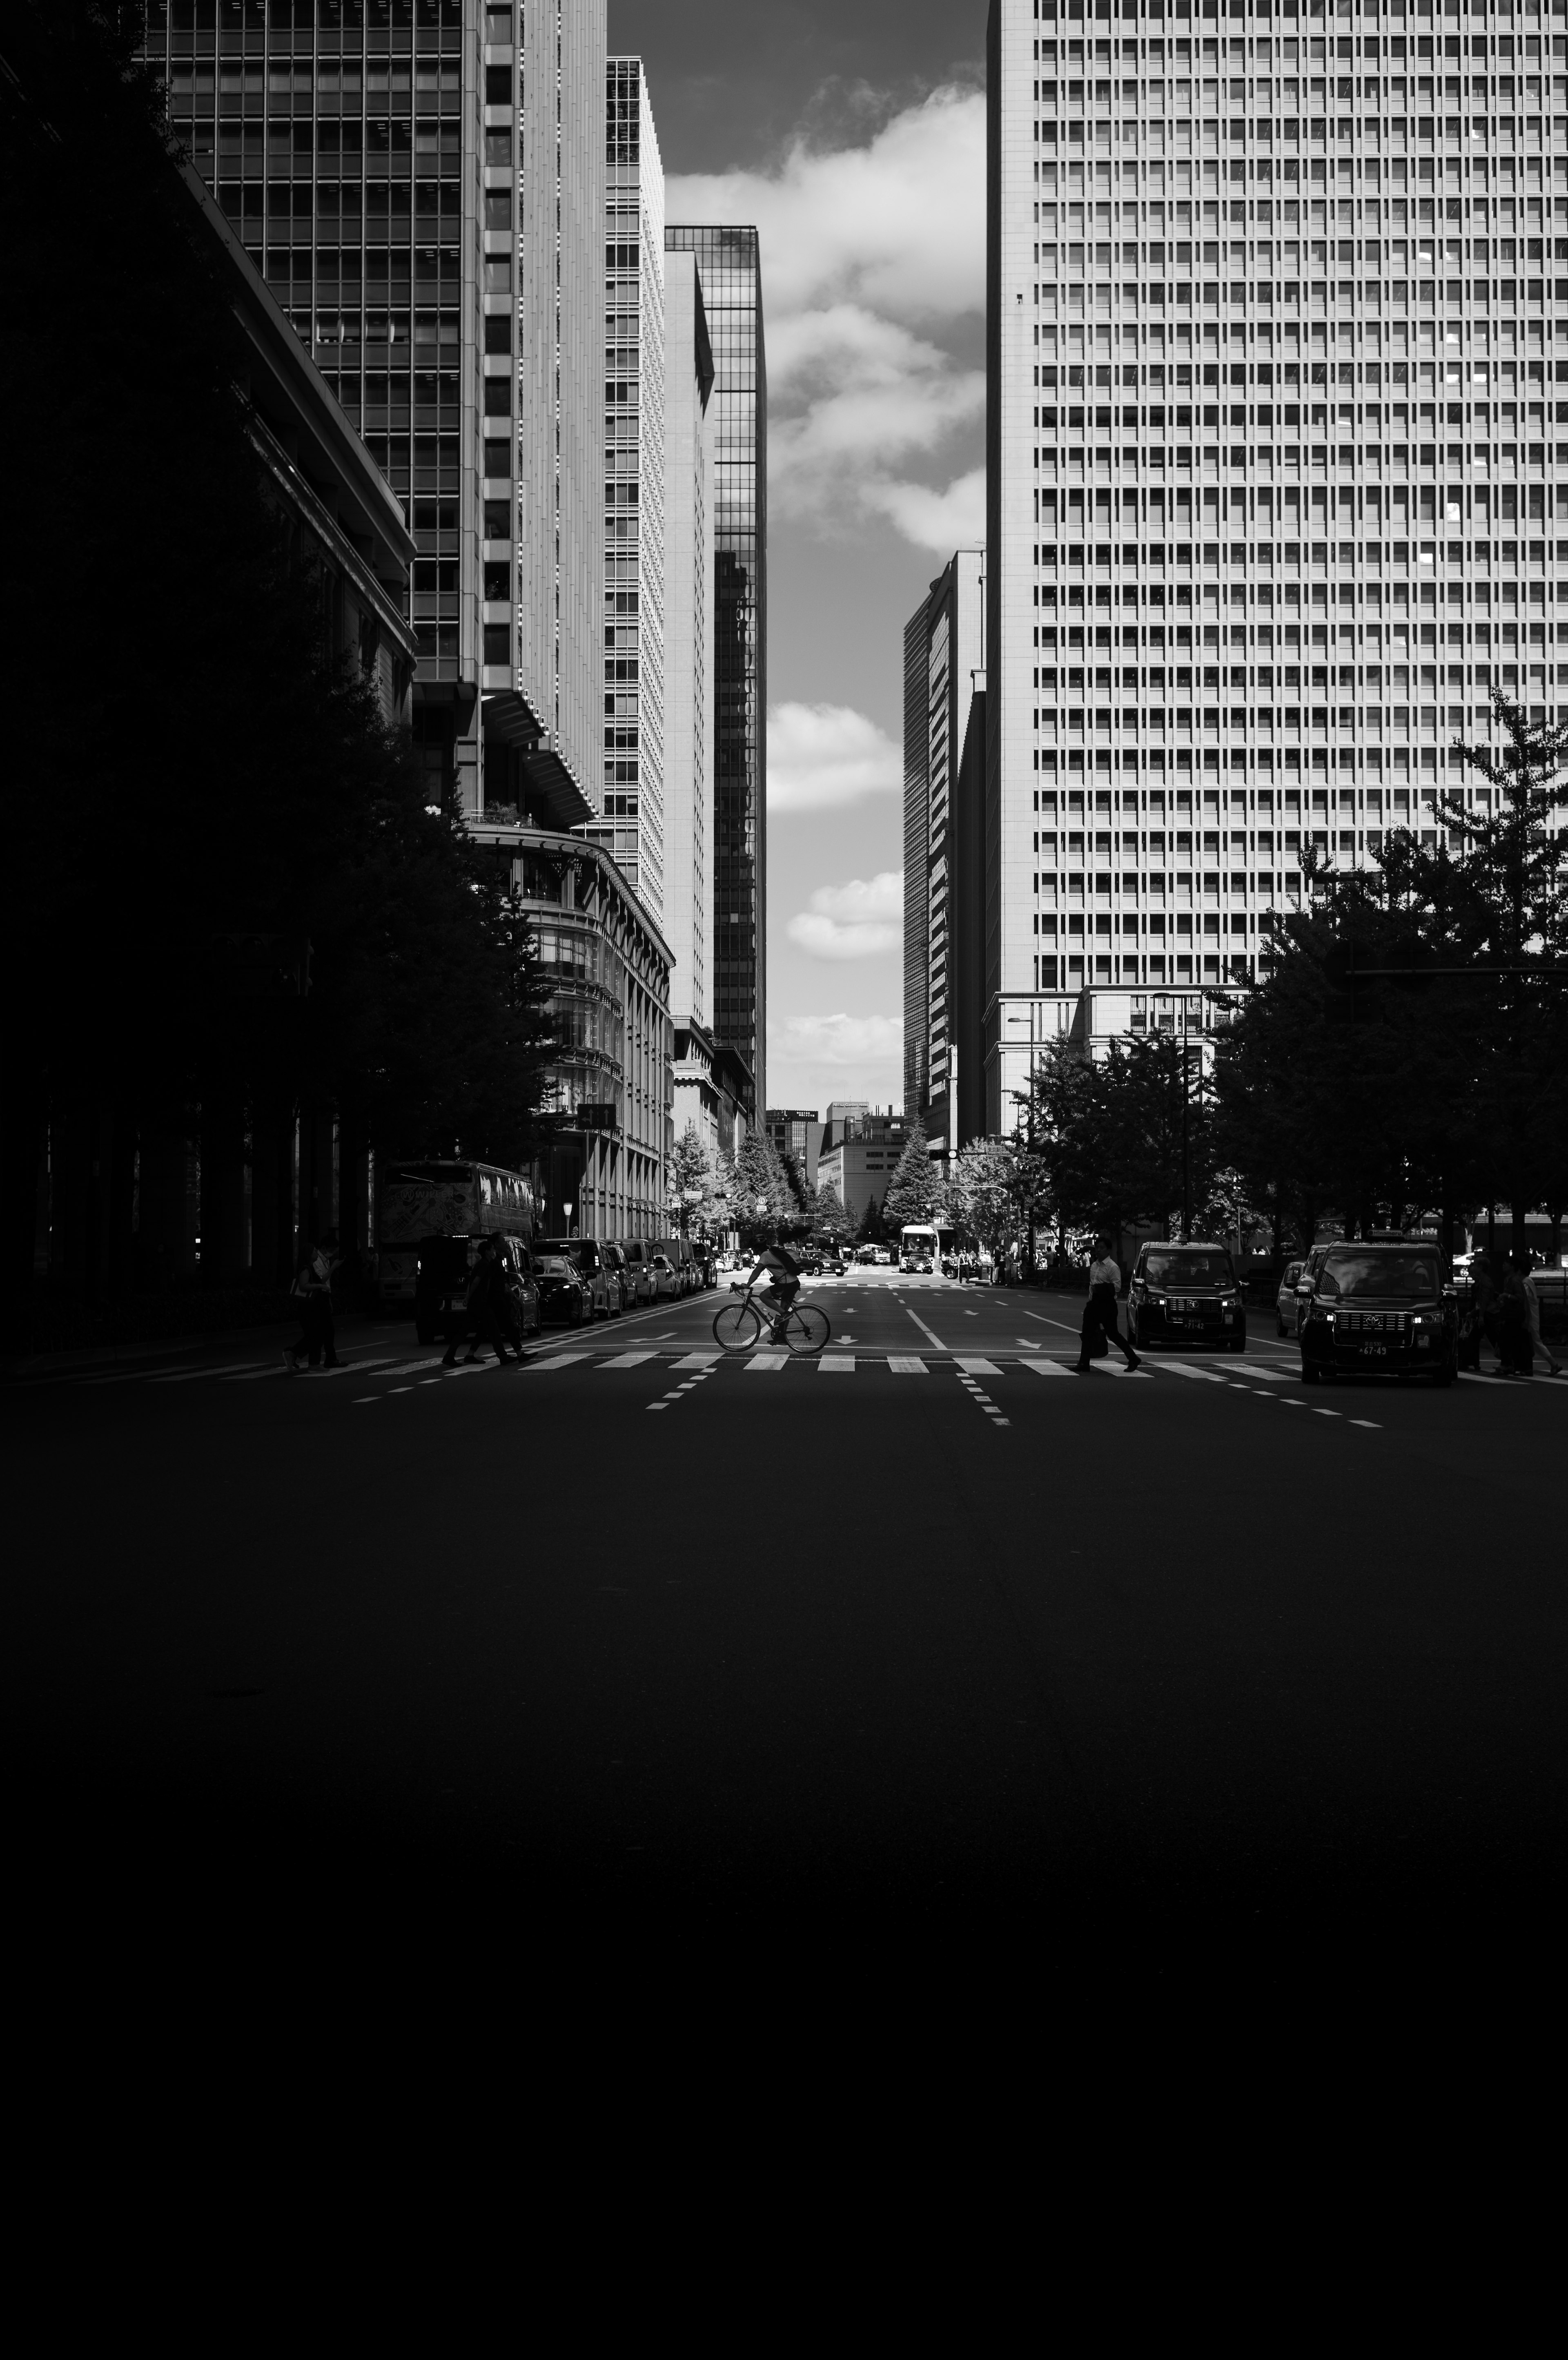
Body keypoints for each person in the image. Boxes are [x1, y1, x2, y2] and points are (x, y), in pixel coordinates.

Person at [443, 1236, 518, 1367]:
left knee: (465, 1331)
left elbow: (472, 1282)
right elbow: (476, 1282)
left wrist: (468, 1297)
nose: (494, 1251)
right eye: (492, 1249)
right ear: (487, 1252)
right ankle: (503, 1357)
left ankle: (453, 1356)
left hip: (476, 1303)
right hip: (481, 1304)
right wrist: (469, 1297)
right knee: (494, 1330)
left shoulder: (482, 1264)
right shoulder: (484, 1265)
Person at [1074, 1234, 1139, 1374]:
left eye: (1102, 1248)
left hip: (1107, 1305)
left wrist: (1101, 1288)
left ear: (1109, 1250)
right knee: (1087, 1334)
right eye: (1097, 1248)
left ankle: (1133, 1358)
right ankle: (1084, 1363)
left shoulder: (1112, 1267)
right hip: (1093, 1304)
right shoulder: (1094, 1266)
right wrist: (1091, 1301)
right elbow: (1092, 1286)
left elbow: (1117, 1287)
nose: (1098, 1250)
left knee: (1113, 1334)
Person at [284, 1228, 340, 1372]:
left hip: (313, 1307)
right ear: (309, 1254)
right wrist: (321, 1285)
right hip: (308, 1309)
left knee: (317, 1335)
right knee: (316, 1335)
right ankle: (295, 1355)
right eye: (315, 1251)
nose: (317, 1252)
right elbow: (304, 1286)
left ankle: (310, 1362)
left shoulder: (310, 1268)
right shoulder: (306, 1269)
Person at [746, 1237, 802, 1342]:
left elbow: (757, 1272)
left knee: (764, 1296)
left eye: (753, 1248)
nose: (752, 1250)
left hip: (787, 1284)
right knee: (783, 1312)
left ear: (757, 1248)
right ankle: (782, 1337)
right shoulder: (769, 1254)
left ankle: (785, 1317)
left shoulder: (765, 1255)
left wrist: (747, 1285)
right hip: (791, 1283)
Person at [1521, 1254, 1563, 1379]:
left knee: (1536, 1342)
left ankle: (1554, 1364)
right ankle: (1553, 1364)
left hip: (1530, 1317)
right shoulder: (1528, 1282)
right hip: (1532, 1316)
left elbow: (1525, 1299)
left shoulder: (1526, 1283)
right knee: (1536, 1342)